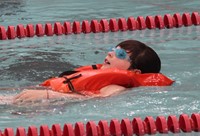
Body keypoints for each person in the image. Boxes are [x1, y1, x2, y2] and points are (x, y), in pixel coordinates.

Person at [1, 40, 174, 104]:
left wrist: (48, 96)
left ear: (135, 71)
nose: (110, 53)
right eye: (113, 49)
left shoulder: (115, 86)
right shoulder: (102, 77)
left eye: (119, 54)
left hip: (47, 104)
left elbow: (99, 100)